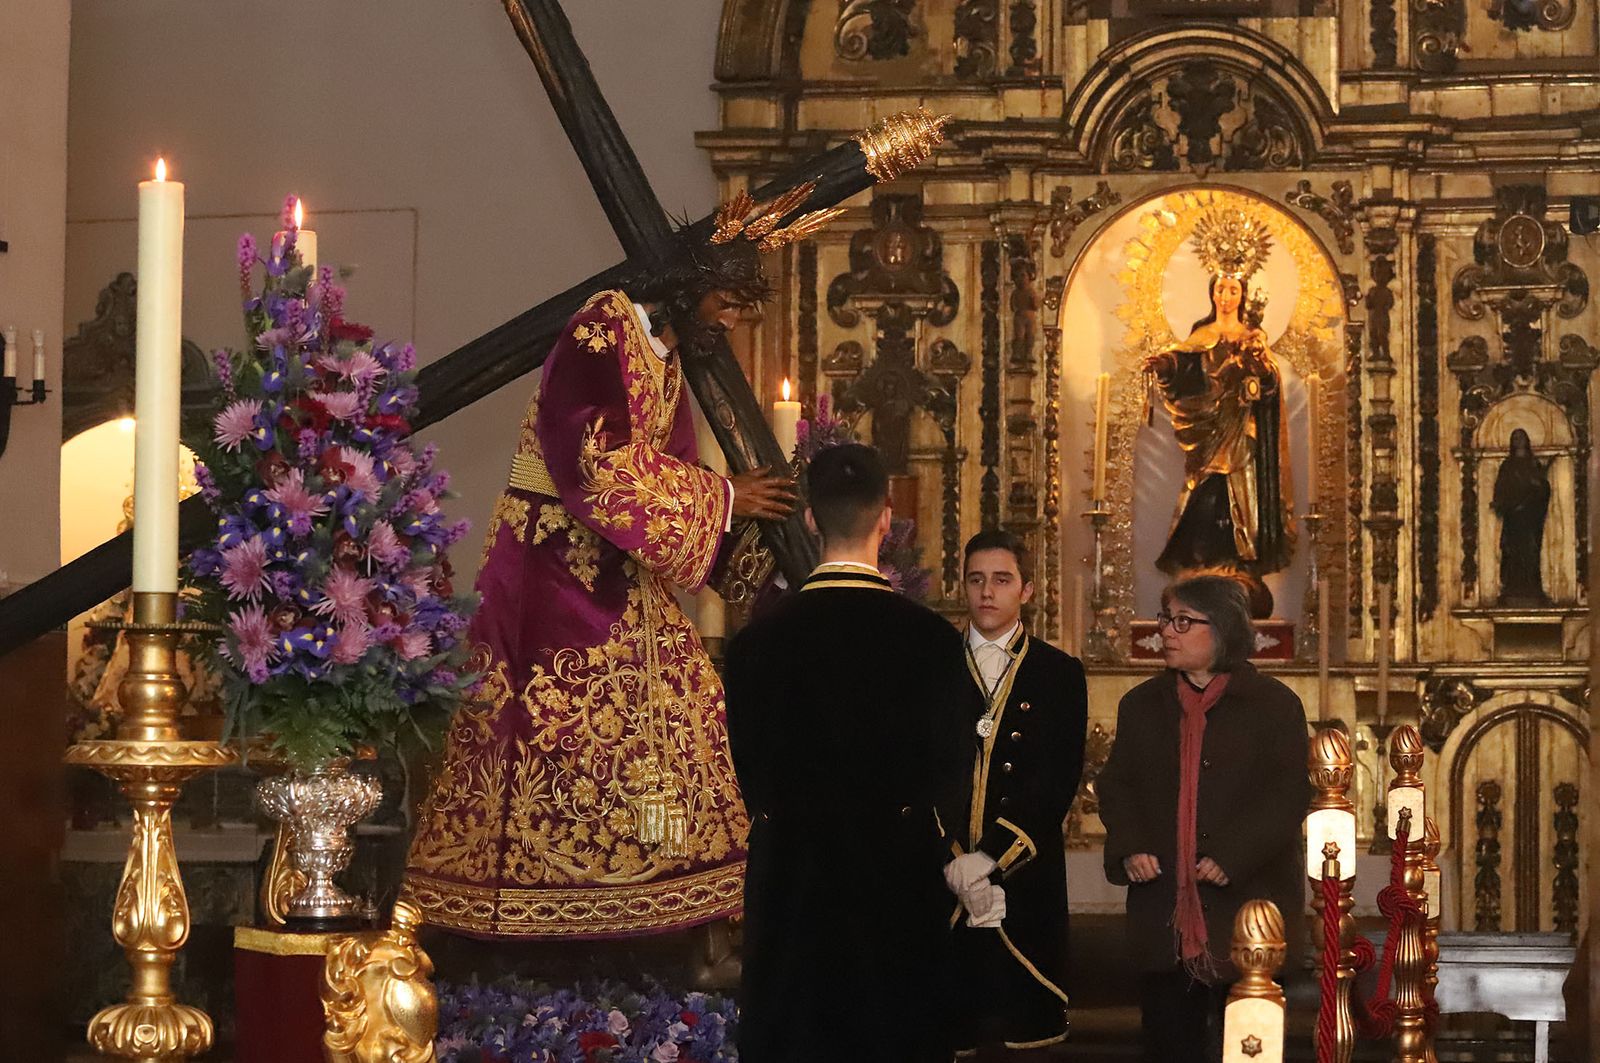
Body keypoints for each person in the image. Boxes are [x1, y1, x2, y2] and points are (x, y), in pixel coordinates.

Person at [403, 195, 818, 940]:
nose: (729, 321)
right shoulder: (602, 327)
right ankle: (542, 903)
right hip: (556, 571)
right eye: (726, 303)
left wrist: (774, 590)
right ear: (692, 290)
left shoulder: (665, 355)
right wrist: (725, 496)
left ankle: (657, 894)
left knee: (688, 707)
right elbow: (591, 466)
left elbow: (678, 470)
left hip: (622, 569)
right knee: (567, 728)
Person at [723, 443, 974, 1063]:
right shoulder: (933, 642)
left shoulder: (757, 646)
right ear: (886, 519)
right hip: (898, 886)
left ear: (809, 518)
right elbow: (953, 770)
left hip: (793, 887)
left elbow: (743, 772)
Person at [1096, 571, 1309, 1063]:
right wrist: (1130, 845)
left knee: (1244, 1049)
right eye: (1167, 619)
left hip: (1247, 918)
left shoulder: (1274, 706)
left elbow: (1288, 793)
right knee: (1169, 1045)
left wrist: (1232, 854)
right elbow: (1116, 784)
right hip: (1163, 919)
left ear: (1225, 630)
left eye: (1184, 622)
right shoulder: (1142, 705)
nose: (1166, 632)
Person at [947, 529, 1087, 1058]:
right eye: (977, 580)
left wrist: (989, 861)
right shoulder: (935, 665)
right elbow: (919, 772)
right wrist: (954, 860)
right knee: (948, 1031)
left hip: (1024, 888)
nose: (987, 592)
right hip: (943, 884)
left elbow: (1054, 781)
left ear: (1027, 590)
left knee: (1022, 1040)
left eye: (1002, 580)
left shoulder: (1058, 674)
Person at [1141, 211, 1294, 614]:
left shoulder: (1252, 337)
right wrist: (1164, 365)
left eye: (1233, 290)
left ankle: (1236, 565)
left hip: (1242, 431)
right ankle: (1205, 564)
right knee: (1205, 496)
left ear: (1243, 295)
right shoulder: (1200, 335)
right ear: (1213, 293)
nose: (1226, 296)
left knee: (1237, 498)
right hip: (1208, 436)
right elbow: (1183, 367)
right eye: (1221, 289)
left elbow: (1269, 385)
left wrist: (1257, 369)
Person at [1492, 427, 1551, 605]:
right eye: (1515, 438)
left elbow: (1544, 490)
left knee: (1531, 552)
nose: (1518, 440)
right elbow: (1500, 489)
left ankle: (1532, 587)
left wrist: (1537, 484)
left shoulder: (1534, 464)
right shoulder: (1507, 466)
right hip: (1514, 518)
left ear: (1526, 440)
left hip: (1530, 518)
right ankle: (1513, 587)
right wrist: (1502, 503)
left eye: (1521, 437)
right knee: (1512, 552)